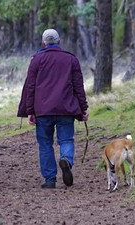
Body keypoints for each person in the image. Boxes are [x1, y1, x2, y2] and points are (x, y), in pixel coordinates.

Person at [17, 29, 89, 188]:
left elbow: (31, 87)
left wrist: (30, 111)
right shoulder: (71, 59)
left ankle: (50, 179)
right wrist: (83, 108)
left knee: (45, 144)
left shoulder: (36, 60)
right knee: (66, 140)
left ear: (43, 43)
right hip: (66, 109)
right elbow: (78, 86)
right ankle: (66, 161)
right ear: (59, 41)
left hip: (43, 111)